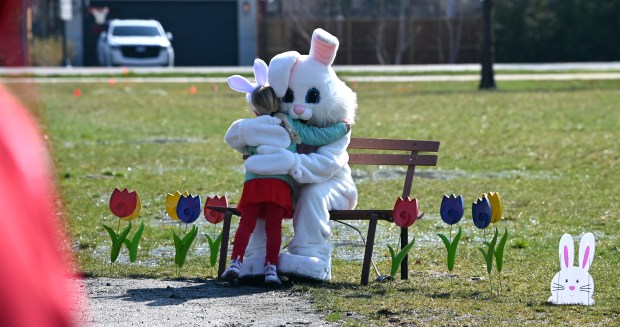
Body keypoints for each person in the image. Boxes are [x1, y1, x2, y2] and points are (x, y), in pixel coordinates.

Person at [221, 85, 349, 285]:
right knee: (274, 227)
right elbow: (318, 137)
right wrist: (343, 127)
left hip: (255, 183)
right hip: (279, 185)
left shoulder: (249, 127)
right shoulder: (288, 124)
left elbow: (231, 138)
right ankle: (271, 268)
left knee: (246, 224)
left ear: (254, 108)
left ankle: (235, 263)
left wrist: (249, 144)